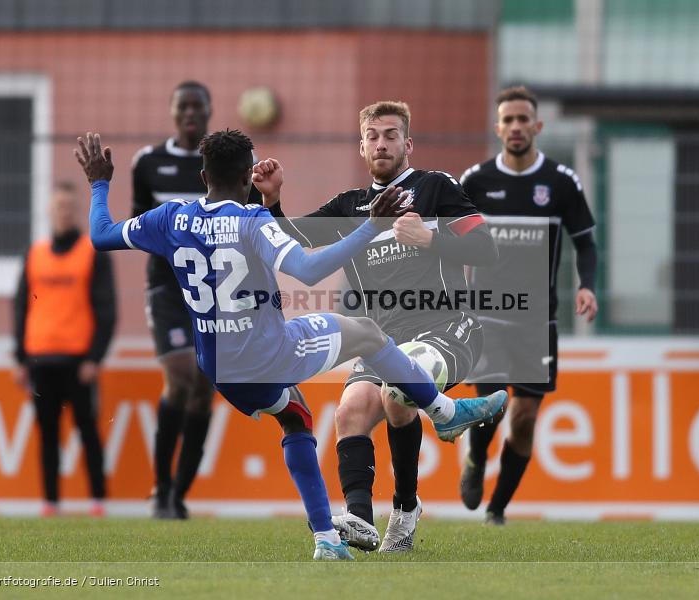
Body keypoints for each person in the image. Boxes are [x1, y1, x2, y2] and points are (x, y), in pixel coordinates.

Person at [75, 129, 506, 560]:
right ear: (247, 177)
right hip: (270, 353)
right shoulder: (251, 221)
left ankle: (327, 540)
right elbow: (309, 269)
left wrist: (99, 183)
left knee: (295, 416)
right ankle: (445, 412)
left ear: (204, 174)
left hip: (219, 365)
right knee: (367, 333)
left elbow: (101, 234)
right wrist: (370, 227)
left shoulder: (169, 218)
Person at [265, 101, 498, 552]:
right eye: (372, 136)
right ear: (361, 146)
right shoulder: (351, 205)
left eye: (390, 135)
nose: (381, 144)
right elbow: (293, 243)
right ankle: (358, 518)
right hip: (384, 341)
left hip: (449, 329)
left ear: (407, 143)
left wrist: (431, 237)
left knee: (398, 391)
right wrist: (271, 202)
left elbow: (487, 249)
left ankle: (405, 508)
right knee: (351, 409)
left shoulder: (436, 188)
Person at [458, 86, 598, 525]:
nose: (516, 127)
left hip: (539, 321)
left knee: (523, 418)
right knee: (491, 411)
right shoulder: (475, 181)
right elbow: (451, 244)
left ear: (537, 127)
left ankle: (497, 509)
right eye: (508, 120)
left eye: (524, 120)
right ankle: (477, 460)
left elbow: (585, 243)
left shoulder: (560, 182)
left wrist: (587, 285)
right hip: (487, 317)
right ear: (498, 127)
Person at [132, 81, 262, 519]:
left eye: (197, 107)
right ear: (172, 112)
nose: (190, 114)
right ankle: (160, 483)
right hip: (169, 288)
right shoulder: (149, 163)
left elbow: (253, 220)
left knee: (205, 386)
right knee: (182, 376)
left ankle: (178, 494)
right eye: (182, 107)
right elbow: (140, 226)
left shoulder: (230, 162)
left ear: (209, 111)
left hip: (218, 288)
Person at [13, 181, 117, 517]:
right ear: (49, 212)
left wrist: (94, 357)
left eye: (70, 208)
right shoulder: (35, 254)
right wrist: (20, 358)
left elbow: (106, 310)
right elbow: (19, 307)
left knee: (87, 430)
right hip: (41, 357)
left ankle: (98, 501)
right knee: (47, 434)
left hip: (78, 359)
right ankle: (51, 502)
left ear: (77, 212)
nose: (64, 213)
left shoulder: (91, 252)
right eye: (59, 208)